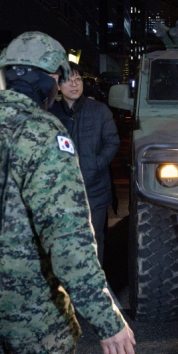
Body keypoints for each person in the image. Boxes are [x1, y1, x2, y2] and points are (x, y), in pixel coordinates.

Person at [0, 32, 136, 354]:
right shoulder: (43, 134)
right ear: (50, 79)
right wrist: (108, 321)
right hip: (28, 308)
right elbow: (69, 241)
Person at [50, 62, 120, 264]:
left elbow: (112, 141)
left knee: (95, 238)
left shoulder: (99, 111)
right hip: (61, 191)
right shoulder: (51, 114)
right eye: (68, 80)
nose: (74, 84)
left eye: (78, 79)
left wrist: (97, 163)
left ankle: (96, 285)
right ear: (59, 85)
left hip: (94, 190)